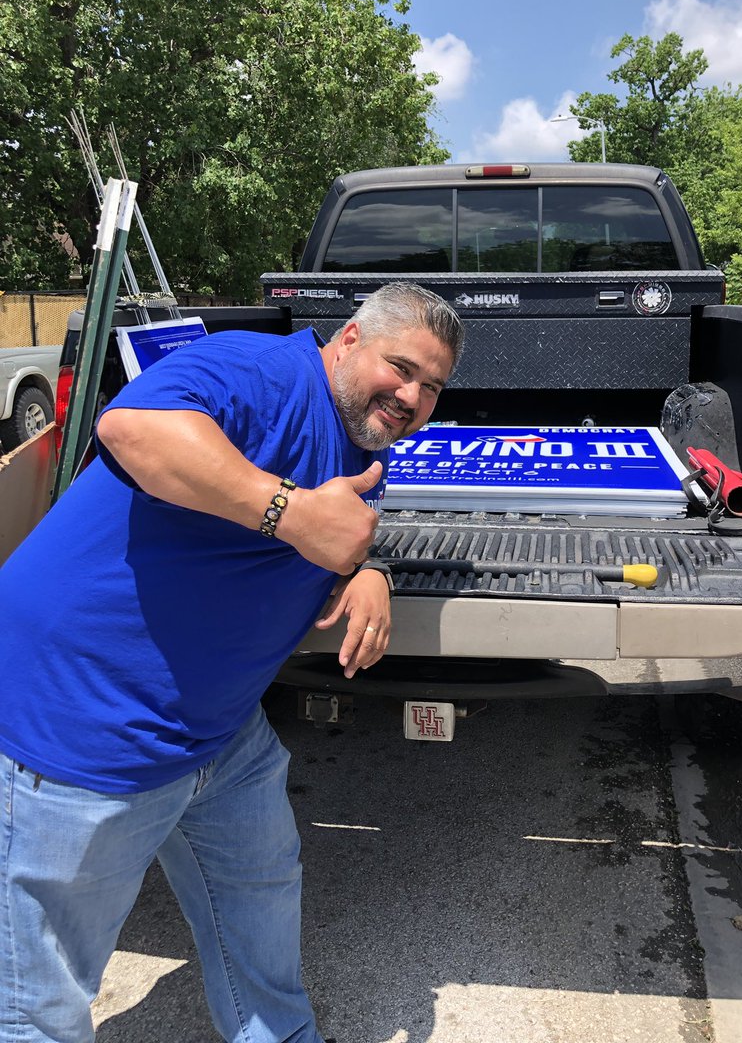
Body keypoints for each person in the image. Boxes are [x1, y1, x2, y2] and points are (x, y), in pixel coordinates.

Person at [0, 281, 463, 1043]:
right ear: (349, 340)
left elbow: (343, 524)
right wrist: (291, 513)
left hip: (216, 731)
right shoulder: (262, 372)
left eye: (433, 386)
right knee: (39, 1001)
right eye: (402, 368)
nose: (412, 396)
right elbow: (134, 429)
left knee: (260, 897)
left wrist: (367, 569)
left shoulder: (365, 438)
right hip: (84, 722)